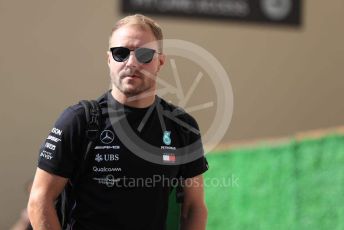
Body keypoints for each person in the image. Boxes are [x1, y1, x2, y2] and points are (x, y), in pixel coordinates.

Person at [28, 14, 208, 230]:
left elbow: (194, 207)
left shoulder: (181, 126)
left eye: (144, 54)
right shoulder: (79, 120)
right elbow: (39, 201)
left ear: (160, 61)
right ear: (109, 59)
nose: (131, 63)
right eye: (120, 53)